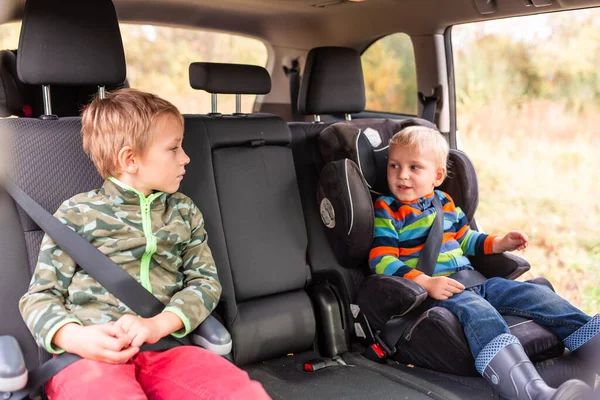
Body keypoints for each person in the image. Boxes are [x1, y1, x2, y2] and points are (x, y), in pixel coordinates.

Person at [19, 88, 270, 400]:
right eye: (173, 148)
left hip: (167, 347)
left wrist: (160, 324)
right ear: (130, 159)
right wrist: (74, 337)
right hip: (89, 357)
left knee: (242, 394)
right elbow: (39, 297)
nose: (186, 157)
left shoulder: (183, 211)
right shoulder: (77, 214)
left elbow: (205, 282)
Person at [369, 125, 598, 400]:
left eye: (414, 167)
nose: (402, 175)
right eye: (394, 165)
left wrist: (500, 243)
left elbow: (466, 239)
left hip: (475, 280)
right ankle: (533, 392)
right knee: (481, 314)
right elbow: (381, 260)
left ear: (437, 176)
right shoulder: (387, 209)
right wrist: (425, 282)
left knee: (535, 293)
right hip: (437, 291)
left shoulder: (444, 203)